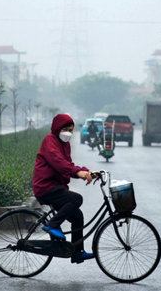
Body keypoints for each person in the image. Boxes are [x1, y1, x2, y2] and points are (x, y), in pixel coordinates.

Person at [32, 113, 95, 264]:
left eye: (71, 130)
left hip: (56, 187)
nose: (69, 133)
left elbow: (69, 165)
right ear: (57, 128)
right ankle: (52, 225)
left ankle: (77, 252)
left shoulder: (64, 145)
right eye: (65, 129)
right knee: (76, 199)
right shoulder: (50, 141)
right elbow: (59, 163)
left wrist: (86, 171)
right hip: (45, 186)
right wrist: (78, 172)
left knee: (77, 216)